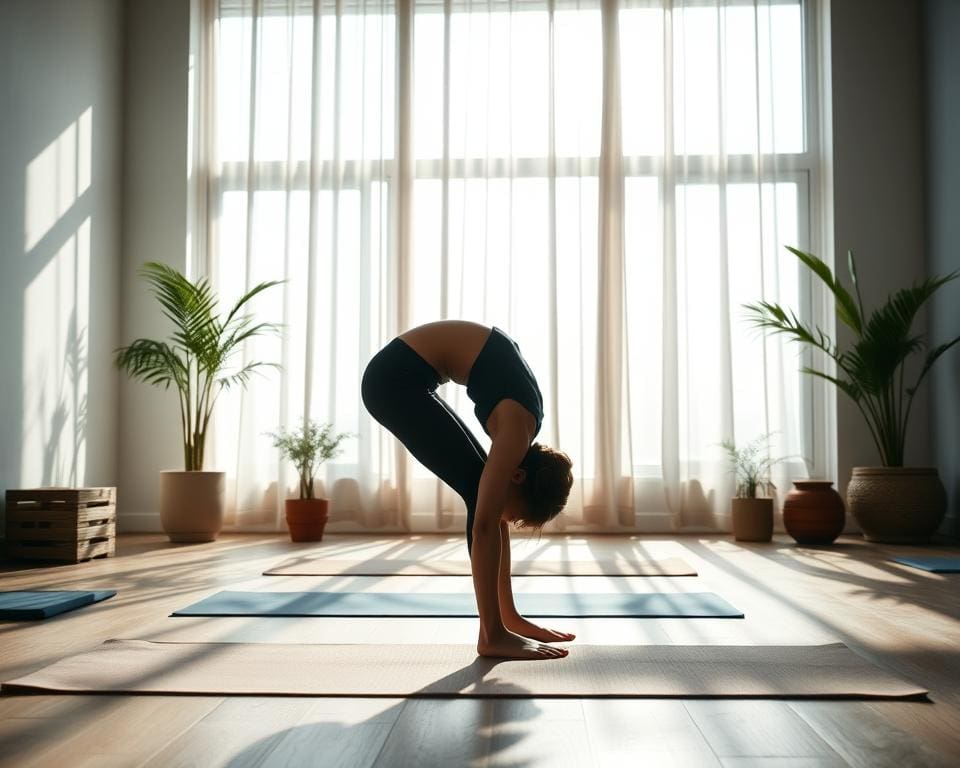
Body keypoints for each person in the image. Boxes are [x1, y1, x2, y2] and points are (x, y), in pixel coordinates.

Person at [361, 320, 575, 660]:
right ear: (518, 478)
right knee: (482, 503)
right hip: (394, 383)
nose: (513, 519)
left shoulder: (522, 430)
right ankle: (492, 635)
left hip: (405, 377)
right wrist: (492, 513)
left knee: (485, 499)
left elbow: (495, 518)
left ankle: (506, 619)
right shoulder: (514, 435)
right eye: (519, 514)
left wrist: (512, 617)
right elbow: (486, 524)